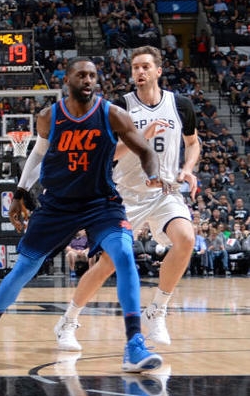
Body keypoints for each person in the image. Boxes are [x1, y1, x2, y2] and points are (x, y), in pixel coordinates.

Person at [0, 56, 168, 373]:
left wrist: (153, 173)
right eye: (81, 75)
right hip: (57, 204)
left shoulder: (112, 115)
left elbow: (146, 151)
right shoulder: (48, 117)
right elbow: (38, 155)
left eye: (93, 75)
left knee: (123, 254)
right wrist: (20, 193)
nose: (88, 80)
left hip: (100, 202)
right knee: (22, 270)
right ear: (66, 79)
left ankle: (134, 344)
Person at [55, 46, 199, 351]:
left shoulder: (181, 105)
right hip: (124, 195)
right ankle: (68, 320)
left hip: (164, 192)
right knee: (107, 265)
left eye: (146, 66)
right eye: (135, 67)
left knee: (186, 238)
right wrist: (141, 136)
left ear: (158, 71)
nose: (140, 72)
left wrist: (187, 169)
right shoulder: (119, 107)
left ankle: (157, 308)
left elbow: (193, 142)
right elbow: (108, 155)